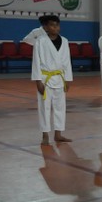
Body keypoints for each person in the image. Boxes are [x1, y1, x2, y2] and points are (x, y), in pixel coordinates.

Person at [31, 15, 73, 145]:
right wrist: (38, 80)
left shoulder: (65, 41)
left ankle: (58, 134)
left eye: (57, 25)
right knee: (44, 107)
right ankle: (45, 135)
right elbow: (36, 61)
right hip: (45, 78)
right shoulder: (40, 41)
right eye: (52, 25)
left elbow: (67, 61)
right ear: (46, 27)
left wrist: (68, 79)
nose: (55, 27)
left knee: (60, 107)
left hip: (60, 78)